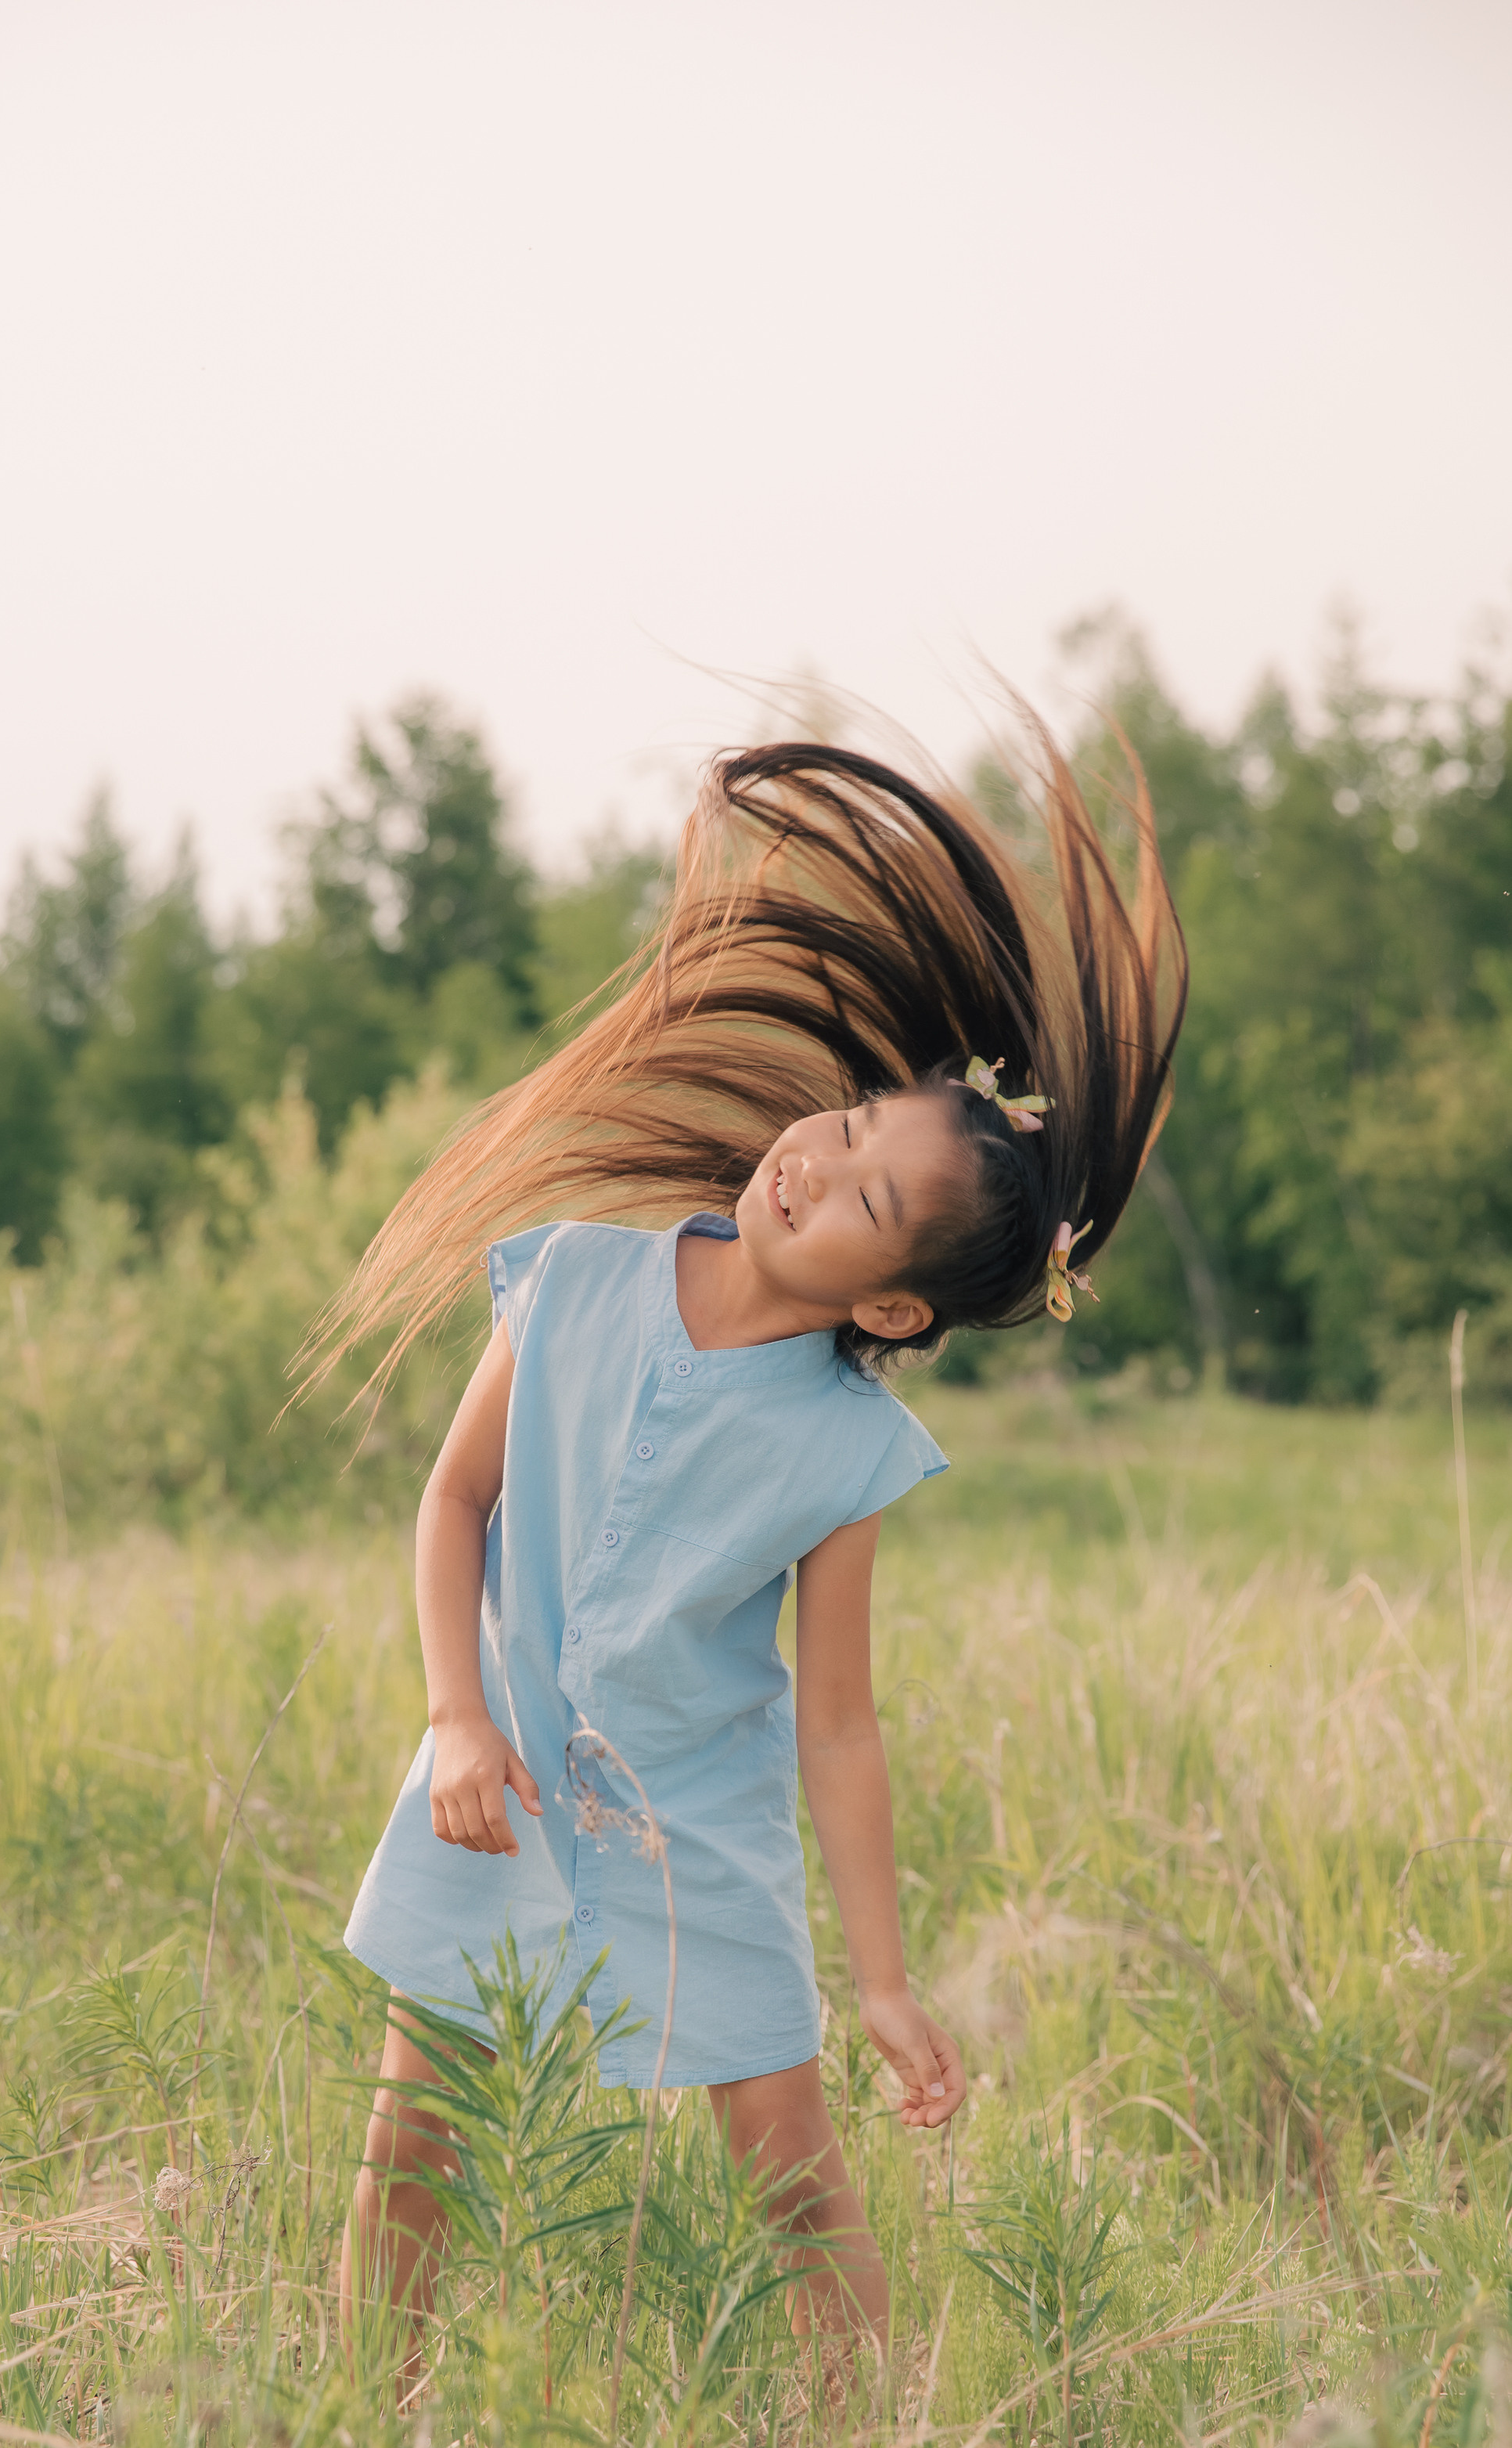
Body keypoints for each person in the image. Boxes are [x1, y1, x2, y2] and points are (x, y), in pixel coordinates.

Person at [316, 719, 1187, 2360]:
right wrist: (453, 1713)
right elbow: (455, 1500)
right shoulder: (574, 1274)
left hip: (695, 1840)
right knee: (412, 2144)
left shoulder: (844, 1445)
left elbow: (838, 1719)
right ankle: (366, 2438)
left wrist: (882, 1976)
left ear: (889, 1300)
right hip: (491, 1792)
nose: (819, 1161)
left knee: (796, 2187)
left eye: (867, 1195)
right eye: (851, 1126)